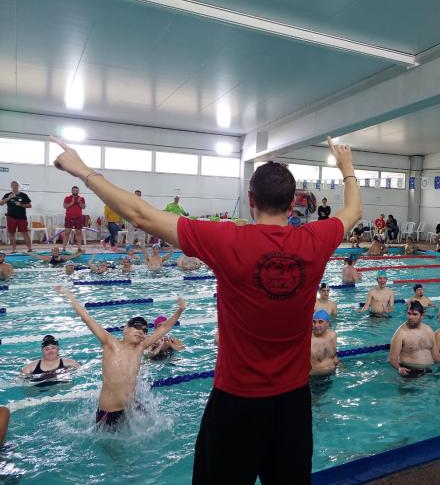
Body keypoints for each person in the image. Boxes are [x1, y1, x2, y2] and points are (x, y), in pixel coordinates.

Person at [49, 134, 360, 481]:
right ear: (293, 205)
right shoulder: (317, 239)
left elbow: (140, 214)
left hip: (236, 402)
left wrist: (82, 170)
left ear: (251, 199)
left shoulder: (227, 239)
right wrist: (346, 166)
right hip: (293, 405)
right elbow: (353, 211)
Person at [55, 286, 185, 429]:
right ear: (125, 328)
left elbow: (164, 328)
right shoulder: (110, 343)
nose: (141, 332)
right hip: (109, 413)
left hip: (131, 408)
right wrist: (69, 296)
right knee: (112, 450)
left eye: (144, 330)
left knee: (154, 427)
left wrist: (180, 310)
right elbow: (87, 319)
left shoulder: (140, 348)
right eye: (137, 327)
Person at [388, 301, 435, 378]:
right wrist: (399, 368)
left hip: (429, 371)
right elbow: (392, 358)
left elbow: (435, 354)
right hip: (410, 372)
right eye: (409, 313)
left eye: (414, 314)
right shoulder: (401, 333)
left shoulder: (428, 330)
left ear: (422, 315)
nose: (410, 317)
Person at [0, 180, 33, 253]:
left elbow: (30, 205)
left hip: (22, 218)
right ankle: (14, 249)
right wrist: (9, 198)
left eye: (16, 185)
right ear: (11, 187)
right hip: (11, 217)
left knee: (25, 233)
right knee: (12, 233)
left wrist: (21, 205)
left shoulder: (23, 195)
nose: (14, 186)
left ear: (19, 186)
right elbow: (1, 203)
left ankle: (29, 249)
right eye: (13, 185)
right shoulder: (7, 195)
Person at [309, 310, 340, 376]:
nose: (316, 325)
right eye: (314, 322)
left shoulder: (332, 335)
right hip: (317, 378)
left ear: (328, 323)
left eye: (320, 322)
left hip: (332, 374)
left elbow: (334, 357)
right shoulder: (309, 341)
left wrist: (341, 367)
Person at [62, 185, 86, 251]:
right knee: (67, 232)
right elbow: (65, 206)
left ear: (78, 191)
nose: (75, 191)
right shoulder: (67, 198)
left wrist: (79, 202)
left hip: (78, 217)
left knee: (78, 233)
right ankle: (64, 248)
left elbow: (83, 207)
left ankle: (79, 248)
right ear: (72, 191)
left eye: (76, 190)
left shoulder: (81, 198)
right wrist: (72, 202)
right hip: (69, 217)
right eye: (74, 190)